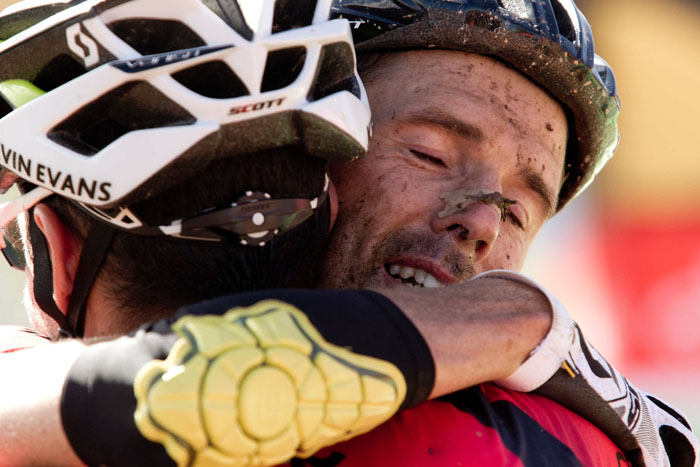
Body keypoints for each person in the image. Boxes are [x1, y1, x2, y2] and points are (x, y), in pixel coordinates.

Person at [0, 0, 696, 466]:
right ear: (307, 148)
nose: (482, 220)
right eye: (428, 153)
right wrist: (529, 320)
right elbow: (208, 383)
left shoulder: (532, 434)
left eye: (520, 209)